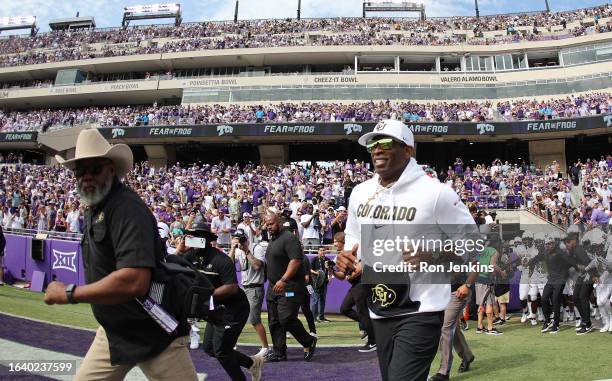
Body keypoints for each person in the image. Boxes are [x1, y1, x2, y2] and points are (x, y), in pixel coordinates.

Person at [44, 129, 198, 380]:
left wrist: (70, 293)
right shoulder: (95, 207)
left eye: (94, 169)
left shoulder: (126, 208)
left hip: (155, 332)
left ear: (111, 169)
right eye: (79, 171)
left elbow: (134, 280)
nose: (86, 177)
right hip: (114, 333)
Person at [336, 120, 478, 381]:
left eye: (386, 143)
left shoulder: (436, 193)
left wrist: (433, 254)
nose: (377, 150)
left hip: (422, 310)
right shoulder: (360, 192)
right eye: (373, 145)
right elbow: (354, 234)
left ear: (408, 150)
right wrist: (347, 256)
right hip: (379, 306)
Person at [178, 222, 263, 381]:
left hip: (234, 309)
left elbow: (231, 287)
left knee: (222, 351)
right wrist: (179, 250)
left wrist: (205, 297)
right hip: (216, 308)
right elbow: (172, 265)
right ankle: (252, 363)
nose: (194, 240)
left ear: (207, 239)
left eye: (198, 237)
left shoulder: (220, 259)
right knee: (210, 348)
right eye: (192, 236)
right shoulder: (190, 255)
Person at [263, 212, 317, 362]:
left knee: (286, 318)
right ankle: (279, 352)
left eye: (271, 224)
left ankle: (308, 341)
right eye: (267, 224)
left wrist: (283, 280)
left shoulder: (289, 238)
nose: (269, 227)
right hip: (273, 287)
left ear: (279, 222)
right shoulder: (273, 240)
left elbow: (295, 261)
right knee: (274, 321)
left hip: (289, 286)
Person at [429, 262, 477, 381]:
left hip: (457, 293)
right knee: (452, 328)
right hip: (441, 293)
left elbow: (478, 265)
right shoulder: (434, 246)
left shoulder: (461, 245)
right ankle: (467, 356)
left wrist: (467, 285)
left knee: (445, 328)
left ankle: (444, 372)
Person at [228, 228, 271, 358]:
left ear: (247, 238)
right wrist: (233, 248)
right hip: (244, 287)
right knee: (237, 316)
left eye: (242, 238)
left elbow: (257, 265)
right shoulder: (237, 250)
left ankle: (265, 347)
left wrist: (246, 250)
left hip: (255, 287)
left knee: (254, 319)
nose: (240, 241)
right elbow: (228, 265)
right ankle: (232, 343)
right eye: (237, 238)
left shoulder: (256, 247)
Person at [334, 232, 377, 353]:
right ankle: (372, 327)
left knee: (363, 312)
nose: (334, 243)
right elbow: (342, 276)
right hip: (355, 284)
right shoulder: (342, 255)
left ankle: (373, 341)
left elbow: (360, 267)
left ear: (342, 241)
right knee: (344, 309)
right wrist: (332, 271)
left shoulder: (353, 249)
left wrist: (349, 276)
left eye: (336, 241)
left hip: (362, 282)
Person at [528, 234, 578, 334]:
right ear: (545, 245)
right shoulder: (544, 252)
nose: (549, 246)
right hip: (551, 279)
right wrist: (529, 262)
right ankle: (547, 321)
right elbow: (535, 259)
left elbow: (570, 261)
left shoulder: (560, 252)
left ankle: (556, 324)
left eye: (551, 243)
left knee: (555, 300)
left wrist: (576, 272)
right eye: (547, 244)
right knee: (544, 298)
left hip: (560, 279)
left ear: (554, 244)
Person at [310, 247, 333, 322]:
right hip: (315, 282)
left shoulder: (328, 259)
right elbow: (309, 269)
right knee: (315, 300)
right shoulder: (314, 259)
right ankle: (314, 318)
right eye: (321, 250)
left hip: (324, 282)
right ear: (318, 252)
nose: (322, 252)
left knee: (323, 299)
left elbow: (330, 269)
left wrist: (330, 278)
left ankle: (321, 317)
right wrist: (316, 273)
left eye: (323, 250)